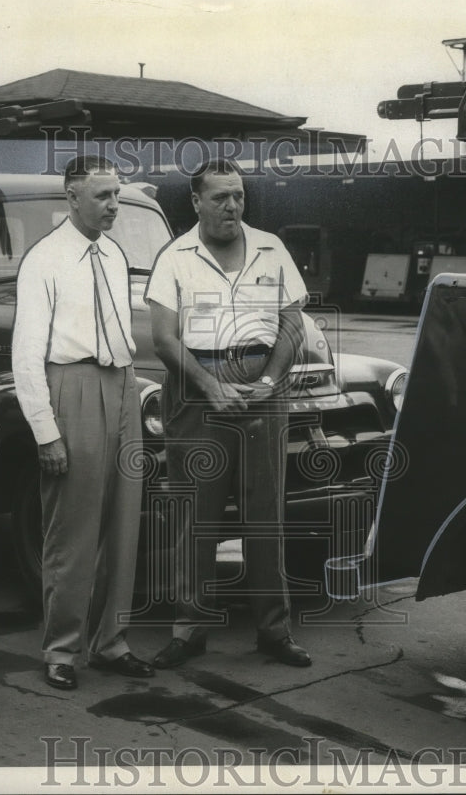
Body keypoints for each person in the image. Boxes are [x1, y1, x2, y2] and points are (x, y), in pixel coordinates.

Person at [145, 159, 312, 669]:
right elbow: (164, 339)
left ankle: (274, 631)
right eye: (220, 197)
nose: (233, 206)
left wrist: (267, 381)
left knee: (267, 513)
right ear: (196, 202)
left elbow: (291, 323)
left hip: (265, 387)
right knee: (196, 514)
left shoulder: (271, 247)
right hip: (197, 392)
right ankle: (189, 629)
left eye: (238, 196)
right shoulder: (175, 256)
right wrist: (210, 386)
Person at [11, 155, 152, 691]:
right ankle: (63, 650)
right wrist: (46, 430)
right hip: (70, 385)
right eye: (102, 197)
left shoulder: (114, 255)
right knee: (71, 531)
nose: (114, 205)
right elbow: (27, 356)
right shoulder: (44, 260)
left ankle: (112, 641)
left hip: (123, 385)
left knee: (124, 523)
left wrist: (130, 389)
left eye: (116, 195)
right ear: (72, 198)